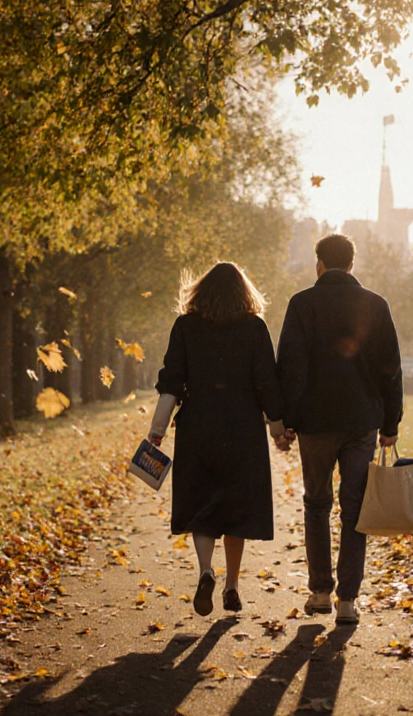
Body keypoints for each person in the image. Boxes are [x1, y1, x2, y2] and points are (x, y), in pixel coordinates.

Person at [148, 262, 289, 617]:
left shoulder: (185, 326)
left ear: (201, 291)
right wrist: (277, 429)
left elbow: (172, 382)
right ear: (245, 293)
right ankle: (232, 584)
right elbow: (266, 381)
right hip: (242, 424)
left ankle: (206, 570)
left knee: (202, 503)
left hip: (199, 424)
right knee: (236, 507)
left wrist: (157, 430)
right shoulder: (255, 328)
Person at [276, 234, 404, 625]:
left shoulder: (301, 304)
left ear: (318, 264)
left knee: (317, 505)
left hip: (315, 423)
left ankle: (319, 591)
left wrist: (286, 421)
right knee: (353, 510)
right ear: (352, 264)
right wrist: (390, 424)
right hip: (362, 422)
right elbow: (391, 368)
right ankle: (347, 600)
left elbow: (290, 366)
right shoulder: (375, 305)